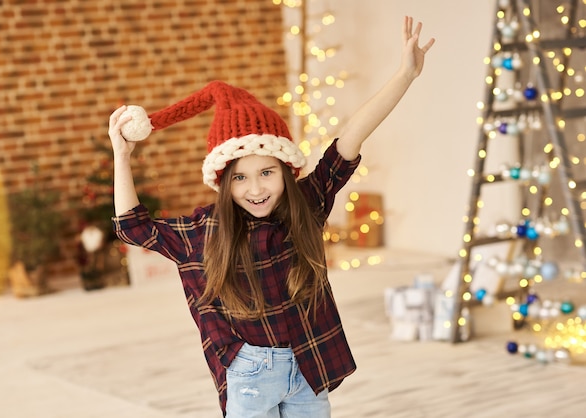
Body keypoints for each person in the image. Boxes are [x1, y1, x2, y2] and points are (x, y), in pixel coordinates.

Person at [108, 15, 434, 418]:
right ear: (223, 182)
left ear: (285, 170)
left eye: (267, 172)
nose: (256, 188)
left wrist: (405, 75)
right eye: (241, 177)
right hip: (249, 371)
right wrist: (121, 156)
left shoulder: (306, 203)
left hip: (307, 367)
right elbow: (132, 226)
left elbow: (351, 136)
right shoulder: (204, 229)